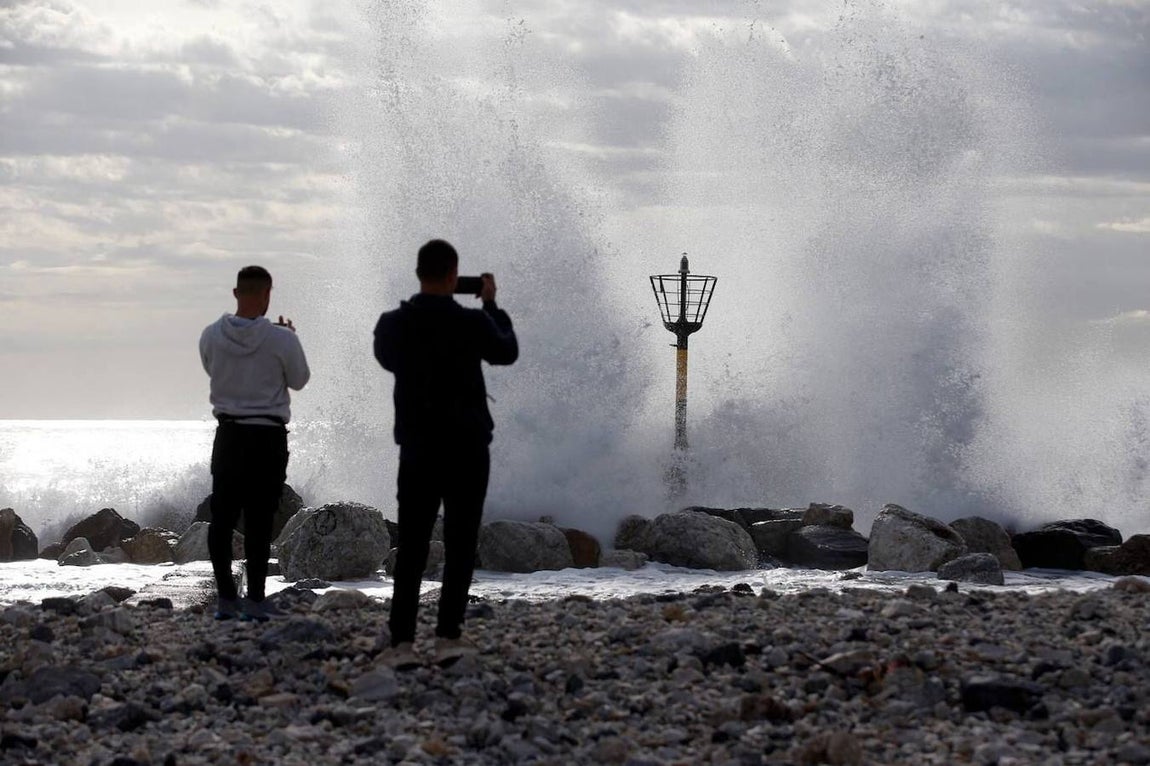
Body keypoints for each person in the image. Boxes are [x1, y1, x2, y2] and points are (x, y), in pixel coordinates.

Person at [373, 239, 518, 669]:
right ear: (455, 276)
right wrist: (490, 304)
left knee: (413, 545)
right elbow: (507, 351)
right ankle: (448, 637)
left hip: (418, 448)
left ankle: (402, 642)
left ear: (419, 274)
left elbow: (386, 359)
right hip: (467, 448)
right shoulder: (472, 322)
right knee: (460, 542)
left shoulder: (393, 324)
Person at [199, 265, 310, 622]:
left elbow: (211, 369)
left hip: (229, 434)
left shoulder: (211, 336)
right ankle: (257, 600)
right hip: (267, 435)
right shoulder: (282, 339)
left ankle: (226, 600)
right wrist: (289, 337)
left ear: (236, 293)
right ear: (267, 294)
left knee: (223, 517)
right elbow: (299, 380)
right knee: (261, 518)